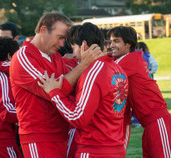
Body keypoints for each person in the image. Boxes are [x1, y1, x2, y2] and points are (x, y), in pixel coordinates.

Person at [9, 12, 102, 158]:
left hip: (60, 134)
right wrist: (84, 64)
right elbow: (55, 91)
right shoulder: (24, 56)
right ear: (43, 30)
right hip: (39, 136)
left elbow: (74, 83)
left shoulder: (56, 57)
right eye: (60, 38)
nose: (62, 44)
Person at [38, 22, 128, 158]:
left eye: (74, 47)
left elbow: (78, 117)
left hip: (94, 149)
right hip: (115, 147)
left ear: (84, 46)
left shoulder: (93, 73)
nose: (73, 54)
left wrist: (54, 93)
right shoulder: (117, 68)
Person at [108, 26, 171, 157]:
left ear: (128, 44)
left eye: (116, 41)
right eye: (110, 41)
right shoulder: (131, 58)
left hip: (158, 121)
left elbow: (103, 72)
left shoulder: (129, 59)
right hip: (150, 124)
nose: (111, 45)